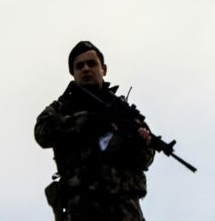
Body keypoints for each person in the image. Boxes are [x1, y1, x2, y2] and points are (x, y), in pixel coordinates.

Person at [35, 41, 154, 221]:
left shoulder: (122, 110)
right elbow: (42, 133)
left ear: (103, 69)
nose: (86, 69)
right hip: (82, 208)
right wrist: (89, 120)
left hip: (125, 209)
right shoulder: (62, 107)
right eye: (79, 66)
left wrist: (143, 143)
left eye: (92, 64)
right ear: (73, 73)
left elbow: (146, 157)